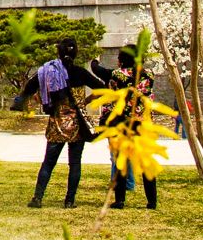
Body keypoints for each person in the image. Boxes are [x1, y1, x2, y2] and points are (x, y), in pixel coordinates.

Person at [18, 39, 105, 208]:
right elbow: (101, 86)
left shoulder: (49, 72)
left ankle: (37, 197)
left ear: (58, 53)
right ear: (76, 53)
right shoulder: (80, 73)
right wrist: (85, 101)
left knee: (48, 163)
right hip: (77, 125)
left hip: (57, 123)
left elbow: (30, 88)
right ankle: (69, 200)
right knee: (74, 163)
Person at [100, 46, 159, 210]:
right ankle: (152, 201)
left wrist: (93, 62)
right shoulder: (149, 74)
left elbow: (98, 70)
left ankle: (120, 200)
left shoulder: (117, 74)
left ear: (122, 59)